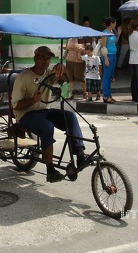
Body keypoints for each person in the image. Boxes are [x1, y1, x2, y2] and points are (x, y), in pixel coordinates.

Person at [11, 46, 86, 183]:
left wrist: (62, 70)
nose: (45, 61)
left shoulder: (48, 75)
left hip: (44, 110)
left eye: (48, 58)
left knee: (70, 117)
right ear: (35, 58)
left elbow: (62, 80)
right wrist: (33, 99)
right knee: (47, 127)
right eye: (42, 58)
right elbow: (16, 106)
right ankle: (50, 169)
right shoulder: (22, 78)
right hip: (26, 114)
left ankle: (79, 153)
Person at [100, 17, 121, 103]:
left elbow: (114, 43)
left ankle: (109, 94)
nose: (115, 24)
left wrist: (118, 34)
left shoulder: (112, 32)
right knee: (107, 76)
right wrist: (105, 58)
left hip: (113, 55)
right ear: (111, 23)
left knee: (110, 76)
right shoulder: (104, 33)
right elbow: (103, 46)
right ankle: (105, 95)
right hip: (108, 55)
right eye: (115, 23)